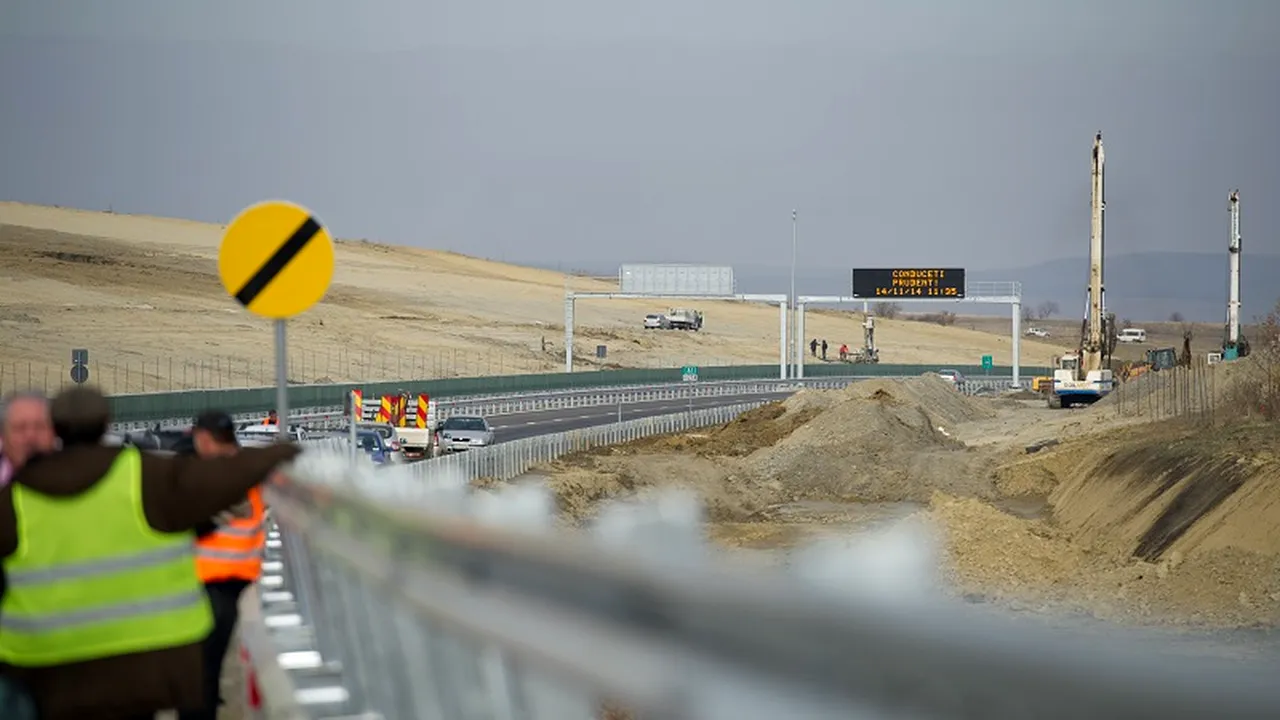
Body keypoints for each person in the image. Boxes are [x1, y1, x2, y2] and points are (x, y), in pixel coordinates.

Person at [0, 386, 300, 720]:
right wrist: (281, 451)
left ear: (55, 428)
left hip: (47, 671)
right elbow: (219, 477)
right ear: (106, 422)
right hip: (140, 671)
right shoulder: (140, 474)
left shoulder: (15, 497)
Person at [177, 410, 266, 720]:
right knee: (204, 669)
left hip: (215, 580)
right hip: (220, 580)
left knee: (201, 669)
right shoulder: (235, 469)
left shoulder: (219, 472)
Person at [0, 392, 56, 489]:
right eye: (20, 428)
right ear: (3, 436)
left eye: (40, 427)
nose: (31, 437)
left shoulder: (76, 476)